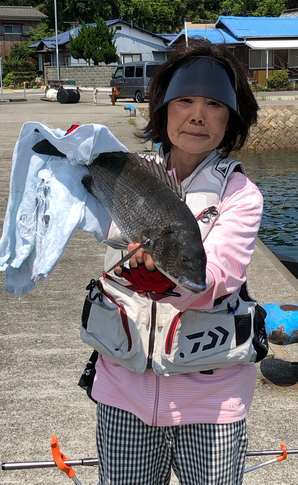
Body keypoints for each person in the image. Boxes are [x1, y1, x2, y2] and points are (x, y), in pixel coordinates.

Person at [80, 38, 265, 485]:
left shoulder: (241, 196)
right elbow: (69, 205)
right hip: (123, 390)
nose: (197, 114)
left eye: (214, 104)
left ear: (231, 117)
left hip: (211, 404)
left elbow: (215, 277)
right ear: (163, 108)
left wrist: (156, 272)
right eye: (184, 100)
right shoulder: (126, 172)